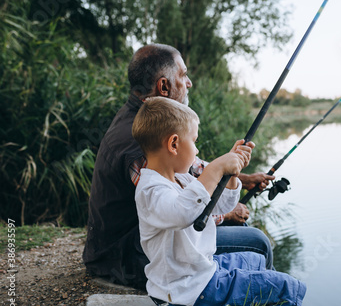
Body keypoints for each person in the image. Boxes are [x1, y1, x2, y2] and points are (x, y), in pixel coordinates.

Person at [83, 44, 275, 289]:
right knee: (257, 242)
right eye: (183, 75)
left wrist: (241, 176)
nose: (189, 83)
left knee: (241, 230)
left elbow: (193, 169)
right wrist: (224, 215)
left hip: (142, 242)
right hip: (126, 256)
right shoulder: (136, 143)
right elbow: (175, 211)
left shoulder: (146, 120)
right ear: (164, 86)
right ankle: (271, 305)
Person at [132, 97, 308, 306]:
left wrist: (232, 172)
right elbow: (181, 212)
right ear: (174, 144)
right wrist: (215, 168)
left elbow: (222, 204)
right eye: (194, 141)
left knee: (257, 260)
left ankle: (273, 303)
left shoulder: (181, 179)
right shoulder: (151, 190)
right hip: (189, 299)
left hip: (196, 280)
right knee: (285, 286)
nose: (197, 149)